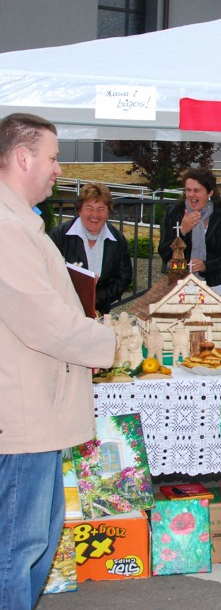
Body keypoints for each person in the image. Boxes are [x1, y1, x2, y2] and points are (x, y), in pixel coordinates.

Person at [0, 113, 116, 609]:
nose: (58, 168)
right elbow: (44, 321)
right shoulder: (7, 228)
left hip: (35, 414)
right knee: (18, 550)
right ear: (22, 158)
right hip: (22, 416)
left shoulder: (21, 222)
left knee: (35, 544)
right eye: (52, 157)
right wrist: (111, 343)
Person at [49, 182, 133, 314]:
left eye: (101, 209)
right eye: (89, 208)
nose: (95, 214)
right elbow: (48, 274)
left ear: (108, 212)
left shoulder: (117, 239)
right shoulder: (59, 235)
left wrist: (98, 297)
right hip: (64, 311)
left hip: (99, 312)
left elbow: (124, 277)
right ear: (79, 210)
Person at [158, 168, 221, 295]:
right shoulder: (175, 213)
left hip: (212, 287)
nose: (191, 195)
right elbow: (164, 253)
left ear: (210, 192)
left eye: (197, 190)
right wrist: (182, 231)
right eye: (188, 190)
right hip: (179, 285)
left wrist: (206, 266)